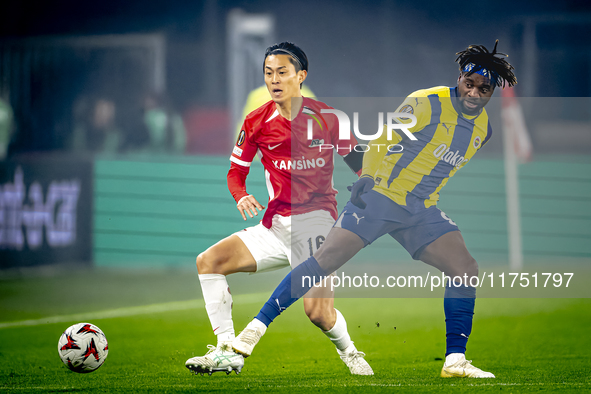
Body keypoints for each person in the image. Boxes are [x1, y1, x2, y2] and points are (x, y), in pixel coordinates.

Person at [232, 41, 517, 378]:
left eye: (483, 89)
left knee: (465, 268)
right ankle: (255, 328)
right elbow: (383, 139)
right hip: (380, 196)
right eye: (469, 83)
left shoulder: (483, 130)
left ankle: (455, 360)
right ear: (460, 77)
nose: (474, 92)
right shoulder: (427, 102)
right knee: (324, 263)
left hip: (420, 210)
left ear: (492, 92)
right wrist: (367, 176)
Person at [185, 42, 373, 376]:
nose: (274, 79)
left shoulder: (328, 118)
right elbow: (236, 172)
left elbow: (359, 161)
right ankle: (227, 350)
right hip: (274, 225)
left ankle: (350, 352)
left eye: (282, 72)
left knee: (318, 314)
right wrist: (240, 194)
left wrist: (368, 181)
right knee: (208, 261)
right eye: (269, 73)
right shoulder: (256, 121)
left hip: (317, 220)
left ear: (301, 76)